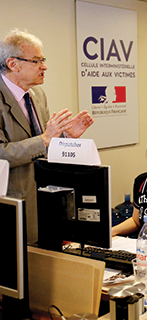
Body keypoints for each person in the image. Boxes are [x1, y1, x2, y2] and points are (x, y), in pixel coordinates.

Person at [0, 29, 93, 243]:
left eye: (43, 60)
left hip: (47, 200)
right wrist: (45, 139)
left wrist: (66, 138)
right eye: (36, 61)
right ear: (13, 64)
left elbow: (46, 147)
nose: (45, 66)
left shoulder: (37, 94)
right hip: (12, 205)